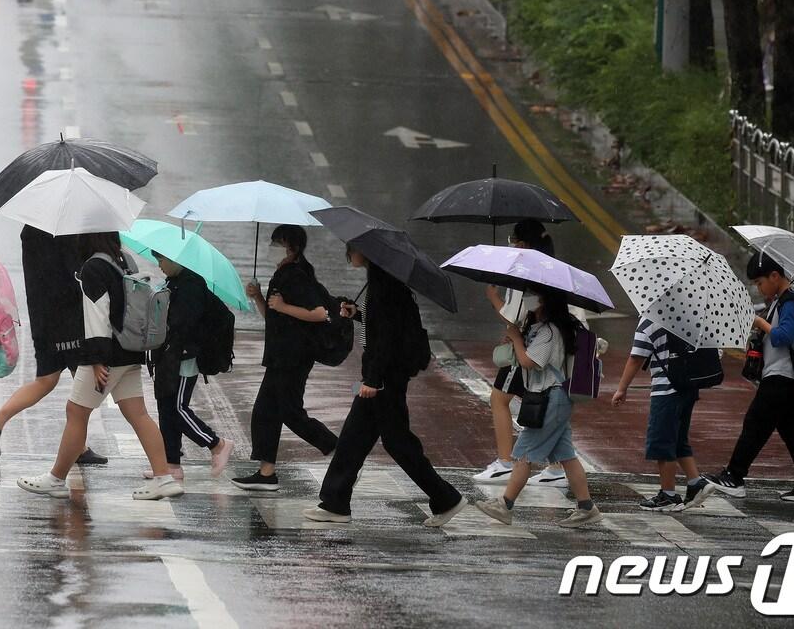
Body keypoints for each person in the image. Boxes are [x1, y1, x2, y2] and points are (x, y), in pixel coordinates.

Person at [304, 249, 467, 527]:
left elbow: (386, 340)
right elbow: (380, 327)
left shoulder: (385, 289)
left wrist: (373, 380)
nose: (349, 254)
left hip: (384, 380)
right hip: (381, 376)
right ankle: (335, 502)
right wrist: (358, 314)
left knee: (397, 442)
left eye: (352, 250)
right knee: (354, 439)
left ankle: (445, 497)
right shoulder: (381, 285)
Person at [18, 233, 184, 501]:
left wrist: (96, 359)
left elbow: (98, 315)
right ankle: (163, 477)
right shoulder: (124, 260)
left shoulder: (93, 267)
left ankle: (56, 479)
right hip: (130, 350)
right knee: (138, 414)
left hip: (106, 354)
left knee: (76, 411)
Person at [0, 226, 108, 467]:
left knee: (47, 380)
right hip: (68, 317)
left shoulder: (30, 230)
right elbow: (76, 273)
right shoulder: (65, 232)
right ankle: (77, 447)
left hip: (43, 316)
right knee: (85, 382)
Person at [476, 290, 603, 528]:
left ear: (546, 300)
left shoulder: (550, 331)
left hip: (551, 399)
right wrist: (515, 341)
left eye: (533, 295)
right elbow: (523, 357)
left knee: (524, 453)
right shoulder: (540, 327)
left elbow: (531, 362)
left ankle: (505, 505)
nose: (527, 299)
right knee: (566, 456)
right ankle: (587, 508)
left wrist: (516, 339)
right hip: (553, 398)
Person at [703, 254, 794, 501]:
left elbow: (783, 337)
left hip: (781, 377)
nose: (759, 288)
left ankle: (734, 476)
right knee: (793, 430)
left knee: (755, 423)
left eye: (760, 282)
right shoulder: (782, 302)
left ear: (775, 276)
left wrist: (760, 322)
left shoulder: (790, 303)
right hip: (783, 377)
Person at [232, 225, 338, 492]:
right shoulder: (283, 273)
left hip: (293, 357)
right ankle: (266, 474)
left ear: (293, 248)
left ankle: (340, 452)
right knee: (265, 412)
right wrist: (259, 299)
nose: (272, 248)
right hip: (281, 356)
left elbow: (319, 313)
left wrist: (283, 306)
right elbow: (275, 319)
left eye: (277, 244)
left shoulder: (295, 275)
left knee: (290, 413)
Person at [472, 219, 570, 490]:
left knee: (499, 398)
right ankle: (557, 467)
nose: (512, 245)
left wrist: (493, 297)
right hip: (542, 346)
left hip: (527, 347)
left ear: (524, 244)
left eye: (514, 240)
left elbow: (515, 316)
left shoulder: (525, 271)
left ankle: (505, 462)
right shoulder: (552, 269)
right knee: (544, 404)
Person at [611, 317, 717, 512]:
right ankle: (696, 482)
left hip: (666, 389)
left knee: (662, 440)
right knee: (677, 439)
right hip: (688, 388)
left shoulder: (651, 318)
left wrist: (622, 388)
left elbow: (636, 357)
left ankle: (668, 495)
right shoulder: (689, 314)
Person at [147, 252, 235, 481]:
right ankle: (172, 465)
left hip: (185, 358)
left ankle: (217, 444)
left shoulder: (192, 286)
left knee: (177, 408)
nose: (160, 265)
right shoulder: (174, 283)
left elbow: (183, 324)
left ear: (177, 260)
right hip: (170, 356)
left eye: (162, 260)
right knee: (166, 408)